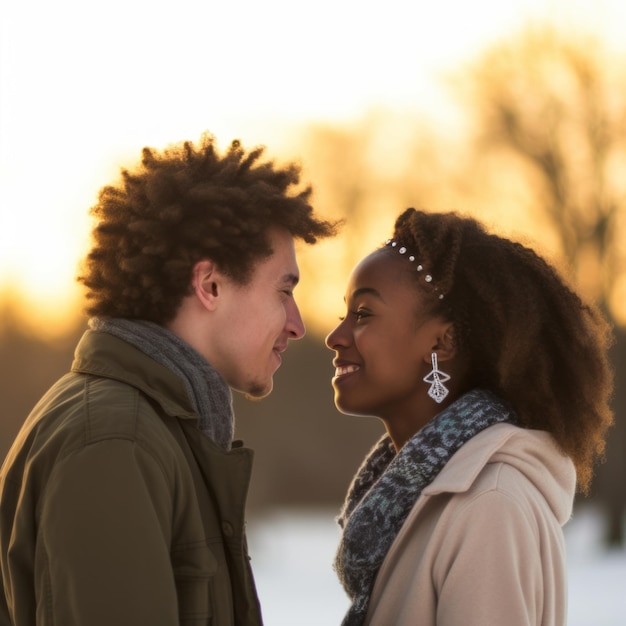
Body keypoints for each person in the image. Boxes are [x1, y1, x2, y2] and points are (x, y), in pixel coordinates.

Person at [0, 133, 338, 625]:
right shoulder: (116, 442)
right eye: (283, 292)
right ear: (210, 285)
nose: (297, 324)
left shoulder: (155, 432)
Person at [325, 208, 613, 626]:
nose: (336, 337)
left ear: (442, 343)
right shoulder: (431, 493)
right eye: (344, 315)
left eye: (364, 314)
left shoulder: (488, 504)